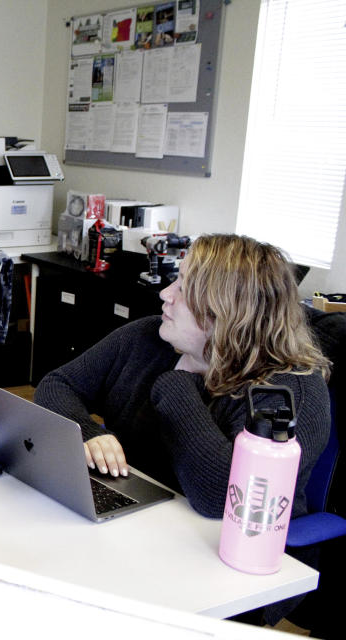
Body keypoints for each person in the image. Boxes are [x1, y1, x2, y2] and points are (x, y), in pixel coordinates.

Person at [34, 234, 330, 624]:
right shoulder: (149, 336)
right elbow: (57, 385)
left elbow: (220, 497)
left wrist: (176, 386)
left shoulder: (289, 394)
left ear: (226, 311)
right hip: (140, 527)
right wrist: (91, 434)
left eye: (185, 288)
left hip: (231, 566)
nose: (165, 294)